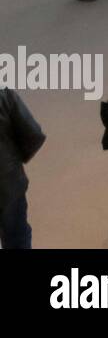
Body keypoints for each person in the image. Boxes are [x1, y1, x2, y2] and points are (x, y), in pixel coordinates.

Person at [0, 88, 45, 248]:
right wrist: (16, 158)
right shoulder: (5, 97)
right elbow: (34, 136)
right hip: (9, 184)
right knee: (17, 238)